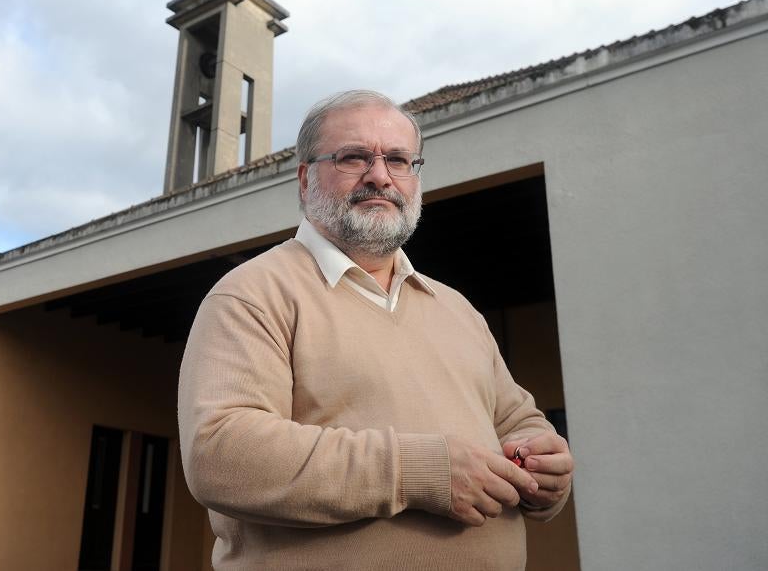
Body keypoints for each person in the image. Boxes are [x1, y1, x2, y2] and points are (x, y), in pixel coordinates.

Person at [177, 90, 574, 570]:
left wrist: (544, 472)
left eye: (400, 160)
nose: (380, 176)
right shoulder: (252, 294)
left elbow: (518, 423)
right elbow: (221, 454)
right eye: (354, 157)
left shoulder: (456, 309)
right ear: (305, 179)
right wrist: (420, 472)